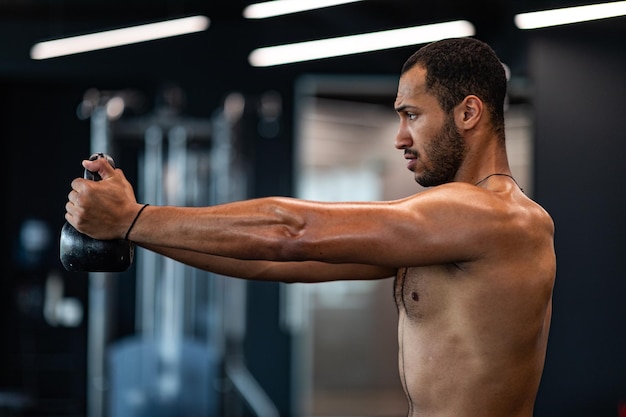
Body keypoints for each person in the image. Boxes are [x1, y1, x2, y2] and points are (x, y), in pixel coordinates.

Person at [65, 37, 556, 417]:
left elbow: (292, 232)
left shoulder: (495, 217)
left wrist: (134, 217)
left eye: (412, 116)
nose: (400, 138)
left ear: (468, 112)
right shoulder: (443, 227)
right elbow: (276, 260)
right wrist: (135, 230)